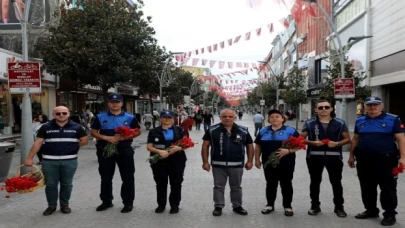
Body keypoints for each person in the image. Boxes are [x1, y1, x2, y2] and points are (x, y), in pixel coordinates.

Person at [348, 96, 405, 226]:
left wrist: (403, 158)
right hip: (364, 159)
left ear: (381, 106)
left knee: (388, 187)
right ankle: (371, 210)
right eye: (369, 105)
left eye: (375, 105)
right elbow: (356, 139)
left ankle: (390, 214)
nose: (372, 107)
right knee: (367, 186)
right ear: (365, 106)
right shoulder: (360, 120)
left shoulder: (393, 119)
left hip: (386, 159)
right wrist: (351, 155)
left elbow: (401, 139)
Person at [24, 106, 88, 216]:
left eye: (64, 113)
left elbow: (84, 141)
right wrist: (29, 158)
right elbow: (38, 143)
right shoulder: (45, 127)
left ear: (68, 114)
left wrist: (72, 147)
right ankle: (51, 205)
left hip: (70, 161)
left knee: (67, 184)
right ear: (53, 115)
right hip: (49, 162)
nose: (61, 115)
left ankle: (64, 205)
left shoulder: (77, 127)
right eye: (58, 113)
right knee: (50, 185)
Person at [90, 93, 141, 213]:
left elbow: (138, 131)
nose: (114, 104)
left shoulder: (130, 117)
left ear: (121, 103)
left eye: (117, 102)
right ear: (108, 103)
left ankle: (128, 203)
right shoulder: (100, 116)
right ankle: (106, 201)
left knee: (127, 177)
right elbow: (93, 132)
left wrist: (126, 137)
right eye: (112, 102)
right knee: (106, 177)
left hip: (124, 150)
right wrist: (105, 138)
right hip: (105, 149)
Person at [301, 99, 351, 218]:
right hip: (314, 156)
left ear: (332, 108)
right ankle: (315, 206)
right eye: (321, 107)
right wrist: (312, 142)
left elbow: (347, 139)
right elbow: (300, 139)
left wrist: (337, 144)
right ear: (316, 109)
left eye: (326, 107)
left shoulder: (340, 122)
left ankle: (339, 207)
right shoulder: (309, 123)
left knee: (336, 182)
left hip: (334, 157)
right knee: (315, 182)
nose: (324, 109)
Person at [201, 108, 254, 216]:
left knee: (236, 187)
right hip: (218, 165)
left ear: (235, 117)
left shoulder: (243, 130)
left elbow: (249, 145)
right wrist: (205, 162)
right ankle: (218, 206)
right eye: (224, 116)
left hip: (237, 165)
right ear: (220, 117)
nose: (227, 118)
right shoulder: (212, 129)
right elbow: (205, 146)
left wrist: (250, 161)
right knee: (218, 186)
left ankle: (237, 206)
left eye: (230, 116)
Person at [254, 110, 300, 217]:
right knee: (270, 183)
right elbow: (258, 146)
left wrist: (288, 151)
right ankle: (270, 205)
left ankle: (287, 206)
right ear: (268, 119)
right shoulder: (263, 131)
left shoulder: (291, 131)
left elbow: (299, 145)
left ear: (282, 118)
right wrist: (257, 159)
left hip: (286, 162)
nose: (274, 119)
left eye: (277, 117)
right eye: (272, 117)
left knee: (286, 184)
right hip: (268, 162)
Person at [146, 110, 188, 214]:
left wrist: (178, 149)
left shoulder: (180, 130)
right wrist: (159, 151)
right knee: (160, 183)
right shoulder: (153, 131)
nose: (167, 119)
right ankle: (161, 205)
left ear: (173, 119)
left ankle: (174, 205)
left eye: (169, 117)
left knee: (176, 184)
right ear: (160, 118)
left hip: (177, 161)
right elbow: (149, 146)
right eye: (164, 117)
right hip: (159, 161)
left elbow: (186, 144)